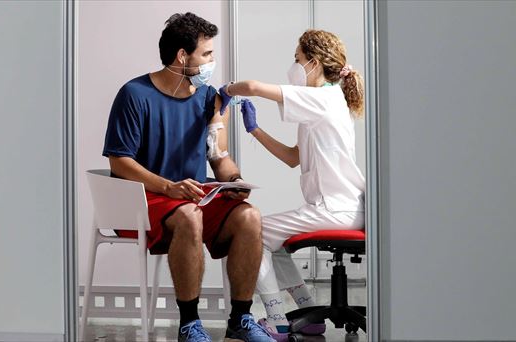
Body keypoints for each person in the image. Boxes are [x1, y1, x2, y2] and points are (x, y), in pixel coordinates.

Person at [102, 12, 275, 342]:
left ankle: (240, 318)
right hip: (145, 199)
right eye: (207, 54)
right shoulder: (134, 95)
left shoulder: (210, 98)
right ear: (183, 56)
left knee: (249, 217)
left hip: (192, 196)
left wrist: (235, 180)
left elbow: (218, 156)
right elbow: (119, 161)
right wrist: (168, 186)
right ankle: (189, 324)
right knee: (189, 215)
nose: (212, 61)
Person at [219, 29, 366, 341]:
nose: (293, 65)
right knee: (276, 242)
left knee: (252, 235)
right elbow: (292, 158)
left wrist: (225, 92)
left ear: (312, 63)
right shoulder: (325, 103)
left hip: (334, 209)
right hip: (341, 207)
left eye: (297, 59)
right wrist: (254, 130)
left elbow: (254, 87)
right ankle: (307, 314)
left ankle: (278, 320)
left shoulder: (322, 97)